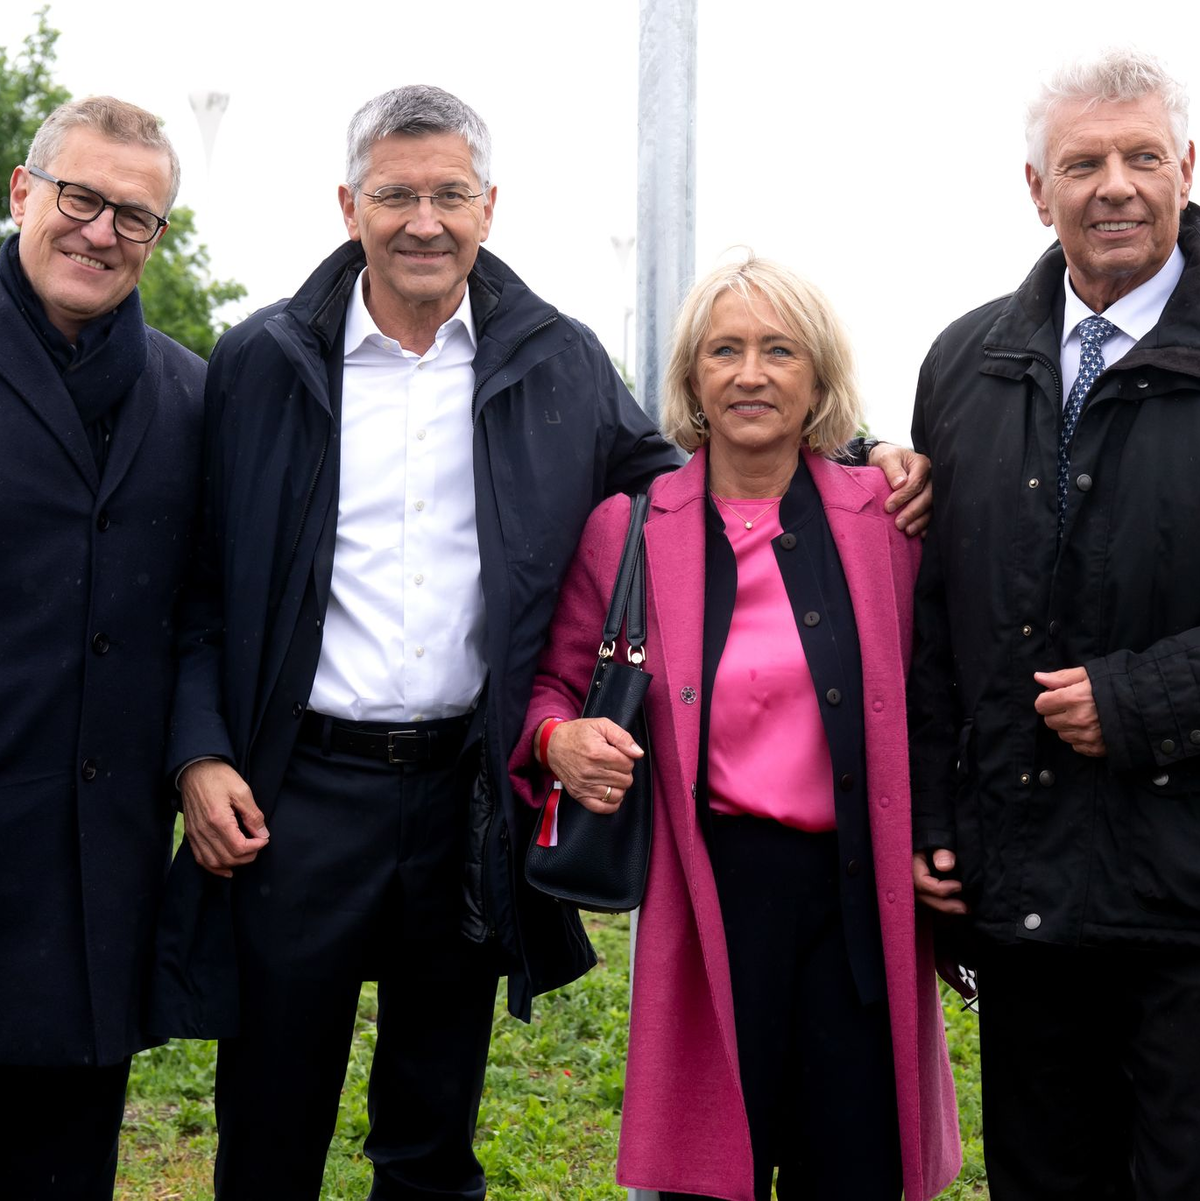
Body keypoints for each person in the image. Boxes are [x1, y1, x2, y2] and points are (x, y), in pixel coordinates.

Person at [153, 85, 932, 1198]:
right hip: (297, 791)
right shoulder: (262, 363)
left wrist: (860, 455)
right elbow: (197, 585)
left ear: (489, 206)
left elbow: (695, 470)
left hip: (465, 794)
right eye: (396, 194)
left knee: (432, 1133)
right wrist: (199, 752)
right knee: (270, 1126)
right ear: (348, 205)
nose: (425, 219)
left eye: (450, 194)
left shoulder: (553, 358)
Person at [514, 256, 959, 1201]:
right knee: (708, 1174)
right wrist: (560, 741)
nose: (751, 372)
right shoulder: (629, 529)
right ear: (693, 380)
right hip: (712, 891)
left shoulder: (887, 517)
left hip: (858, 899)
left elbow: (945, 684)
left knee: (859, 1165)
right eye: (725, 349)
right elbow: (551, 684)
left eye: (778, 349)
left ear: (819, 377)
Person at [910, 48, 1200, 1201]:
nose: (1114, 185)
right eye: (1083, 163)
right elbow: (934, 626)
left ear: (1188, 166)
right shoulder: (968, 360)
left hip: (1186, 896)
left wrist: (1141, 700)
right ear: (1038, 190)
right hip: (1028, 900)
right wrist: (937, 818)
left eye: (1140, 156)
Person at [0, 97, 203, 1199]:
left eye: (137, 215)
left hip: (95, 875)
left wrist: (201, 751)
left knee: (66, 1167)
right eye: (82, 197)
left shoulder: (188, 392)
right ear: (23, 191)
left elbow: (210, 612)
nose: (103, 231)